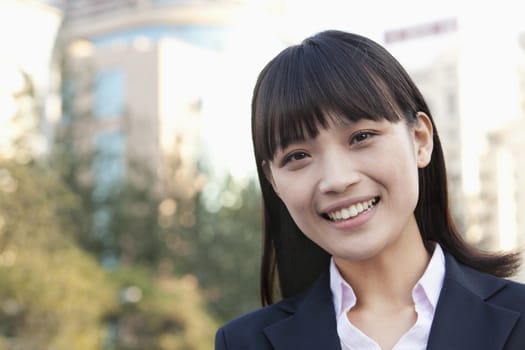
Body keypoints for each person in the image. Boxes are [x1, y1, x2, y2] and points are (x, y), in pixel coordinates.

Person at [215, 30, 525, 350]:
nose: (337, 179)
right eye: (298, 156)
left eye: (361, 137)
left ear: (420, 139)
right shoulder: (243, 343)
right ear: (273, 181)